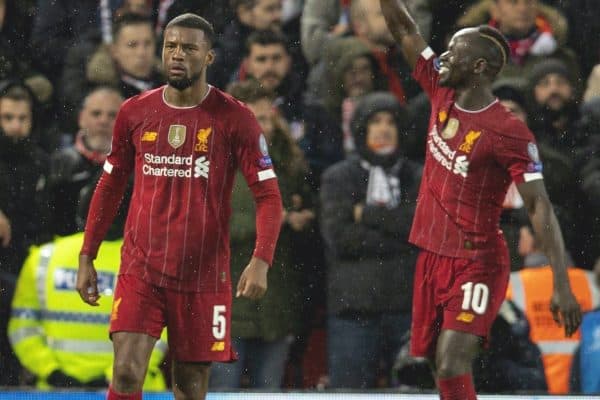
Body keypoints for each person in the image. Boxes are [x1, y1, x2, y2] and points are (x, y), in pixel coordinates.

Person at [378, 1, 582, 399]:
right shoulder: (440, 89)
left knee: (454, 361)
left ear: (479, 68)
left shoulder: (508, 131)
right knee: (437, 364)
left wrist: (561, 282)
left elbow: (539, 205)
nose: (444, 58)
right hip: (431, 256)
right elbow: (405, 31)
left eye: (454, 52)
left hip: (476, 261)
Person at [76, 13, 283, 400]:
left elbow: (269, 197)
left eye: (189, 48)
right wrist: (88, 253)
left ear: (208, 57)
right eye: (171, 46)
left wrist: (261, 260)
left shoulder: (236, 118)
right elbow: (110, 185)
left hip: (202, 277)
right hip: (142, 268)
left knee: (189, 389)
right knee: (125, 373)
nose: (177, 55)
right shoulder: (134, 112)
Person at [8, 177, 167, 390]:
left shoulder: (44, 258)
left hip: (56, 392)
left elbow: (22, 328)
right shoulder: (152, 265)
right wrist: (114, 376)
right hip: (131, 389)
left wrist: (52, 372)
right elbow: (160, 337)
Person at [209, 80, 312, 389]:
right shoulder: (210, 168)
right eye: (251, 119)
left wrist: (302, 220)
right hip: (226, 307)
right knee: (221, 392)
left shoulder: (291, 166)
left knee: (270, 393)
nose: (259, 128)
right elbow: (207, 229)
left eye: (265, 119)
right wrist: (268, 222)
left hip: (276, 307)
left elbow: (307, 215)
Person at [320, 92, 421, 388]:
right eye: (376, 121)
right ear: (362, 130)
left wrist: (366, 215)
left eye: (391, 122)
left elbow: (422, 230)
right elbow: (340, 239)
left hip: (407, 310)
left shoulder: (419, 176)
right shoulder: (338, 177)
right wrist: (400, 235)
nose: (384, 128)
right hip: (353, 312)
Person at [506, 225, 599, 394]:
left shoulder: (511, 286)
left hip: (532, 393)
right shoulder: (593, 283)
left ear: (537, 238)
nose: (519, 242)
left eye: (523, 234)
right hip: (585, 392)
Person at [0, 80, 51, 385]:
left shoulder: (43, 162)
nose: (16, 126)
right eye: (7, 118)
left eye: (22, 119)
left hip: (30, 265)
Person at [49, 87, 124, 236]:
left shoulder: (137, 169)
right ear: (81, 118)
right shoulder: (57, 163)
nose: (103, 121)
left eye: (112, 115)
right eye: (96, 114)